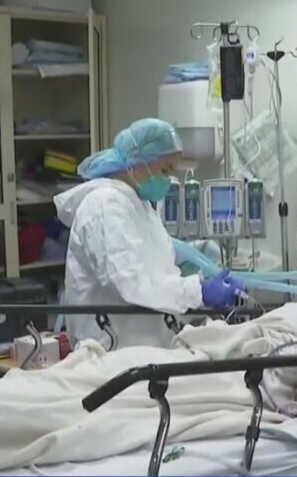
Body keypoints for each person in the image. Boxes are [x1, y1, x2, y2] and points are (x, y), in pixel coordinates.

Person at [55, 118, 244, 348]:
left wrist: (192, 261)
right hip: (113, 353)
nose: (170, 178)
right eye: (165, 169)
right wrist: (199, 291)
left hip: (149, 348)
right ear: (135, 162)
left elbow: (151, 263)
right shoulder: (104, 205)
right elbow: (131, 282)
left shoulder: (140, 206)